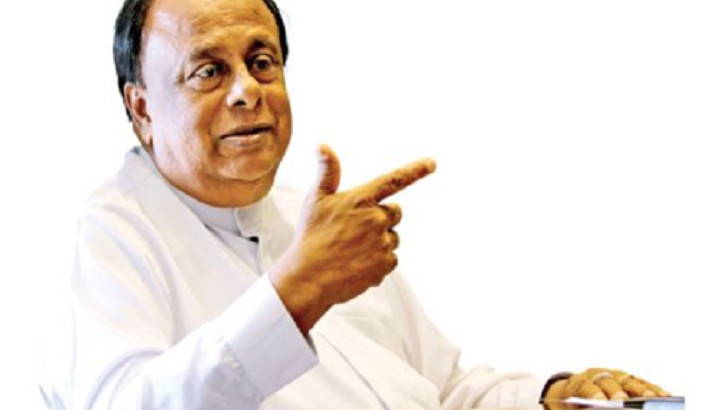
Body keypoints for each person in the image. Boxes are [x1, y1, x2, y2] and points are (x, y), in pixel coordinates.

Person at [39, 0, 672, 409]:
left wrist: (552, 396)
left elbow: (445, 389)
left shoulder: (312, 217)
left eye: (262, 62)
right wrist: (297, 292)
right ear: (142, 109)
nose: (246, 91)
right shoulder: (112, 232)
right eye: (208, 71)